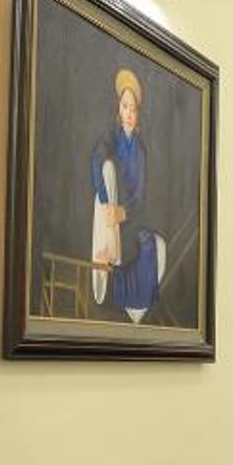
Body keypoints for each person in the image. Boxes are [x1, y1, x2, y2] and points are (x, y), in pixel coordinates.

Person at [89, 65, 168, 321]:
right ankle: (113, 275)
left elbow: (140, 195)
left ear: (138, 114)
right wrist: (106, 203)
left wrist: (123, 212)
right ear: (119, 108)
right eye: (125, 107)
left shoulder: (140, 149)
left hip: (129, 214)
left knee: (150, 245)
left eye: (133, 109)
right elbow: (96, 162)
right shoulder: (111, 137)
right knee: (108, 168)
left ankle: (135, 310)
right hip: (108, 207)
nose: (129, 114)